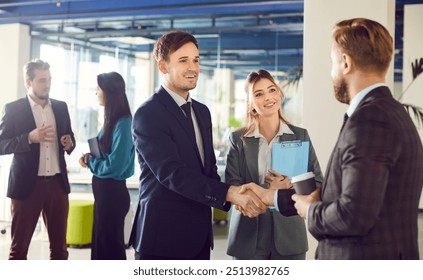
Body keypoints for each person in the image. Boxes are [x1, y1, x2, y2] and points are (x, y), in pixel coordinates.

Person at [290, 18, 423, 259]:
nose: (331, 72)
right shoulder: (393, 113)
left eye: (332, 63)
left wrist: (310, 210)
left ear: (346, 63)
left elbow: (354, 215)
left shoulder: (370, 119)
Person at [129, 30, 267, 260]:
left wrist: (234, 196)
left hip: (199, 237)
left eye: (196, 60)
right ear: (163, 67)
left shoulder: (202, 112)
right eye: (183, 60)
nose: (193, 67)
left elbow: (208, 169)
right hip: (162, 240)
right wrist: (230, 194)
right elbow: (172, 173)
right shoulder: (148, 114)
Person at [225, 69, 323, 260]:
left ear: (279, 93)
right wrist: (270, 190)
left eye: (272, 90)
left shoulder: (300, 135)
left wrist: (285, 191)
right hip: (248, 237)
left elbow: (318, 183)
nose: (268, 97)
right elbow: (233, 189)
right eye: (259, 94)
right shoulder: (238, 139)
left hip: (289, 236)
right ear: (250, 104)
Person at [0, 59, 75, 260]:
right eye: (42, 80)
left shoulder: (60, 107)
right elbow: (1, 144)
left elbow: (70, 137)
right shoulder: (13, 108)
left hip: (57, 186)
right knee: (18, 251)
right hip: (27, 187)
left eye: (49, 79)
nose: (47, 84)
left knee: (60, 251)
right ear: (28, 82)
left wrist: (69, 143)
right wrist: (28, 138)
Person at [79, 71, 134, 260]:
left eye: (98, 89)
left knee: (110, 249)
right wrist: (89, 156)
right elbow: (107, 154)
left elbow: (115, 165)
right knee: (101, 246)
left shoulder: (124, 123)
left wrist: (92, 162)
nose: (96, 93)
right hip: (104, 195)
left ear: (109, 92)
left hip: (112, 195)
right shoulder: (112, 121)